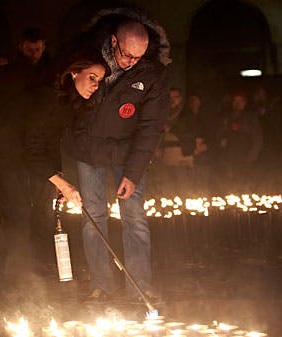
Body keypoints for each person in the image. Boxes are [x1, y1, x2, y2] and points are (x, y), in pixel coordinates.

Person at [0, 49, 108, 294]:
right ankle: (13, 285)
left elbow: (50, 144)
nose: (95, 85)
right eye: (92, 77)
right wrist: (63, 183)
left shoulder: (68, 104)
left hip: (21, 156)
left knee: (40, 213)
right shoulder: (47, 98)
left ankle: (35, 280)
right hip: (1, 153)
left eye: (99, 81)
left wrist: (57, 178)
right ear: (74, 73)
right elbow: (33, 148)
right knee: (18, 212)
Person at [66, 9, 170, 302]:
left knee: (134, 216)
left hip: (127, 153)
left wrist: (133, 173)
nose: (130, 62)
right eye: (126, 55)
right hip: (89, 151)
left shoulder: (152, 74)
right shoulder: (88, 59)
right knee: (93, 217)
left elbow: (151, 127)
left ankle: (139, 285)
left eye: (138, 57)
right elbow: (69, 106)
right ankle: (101, 284)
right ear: (113, 42)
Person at [213, 90, 263, 193]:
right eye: (235, 100)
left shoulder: (250, 118)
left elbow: (257, 138)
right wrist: (221, 141)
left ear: (244, 103)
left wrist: (252, 155)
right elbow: (219, 133)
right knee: (228, 182)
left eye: (240, 101)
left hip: (245, 155)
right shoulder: (226, 117)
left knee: (243, 183)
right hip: (229, 156)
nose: (237, 103)